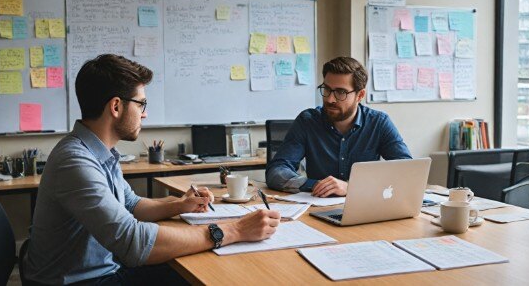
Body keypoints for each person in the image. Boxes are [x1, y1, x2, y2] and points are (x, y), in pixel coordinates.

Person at [23, 54, 280, 285]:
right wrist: (235, 230)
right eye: (141, 104)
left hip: (101, 269)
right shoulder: (75, 161)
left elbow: (131, 204)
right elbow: (132, 242)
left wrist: (179, 204)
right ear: (116, 106)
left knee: (196, 268)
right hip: (81, 281)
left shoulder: (99, 152)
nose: (145, 114)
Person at [266, 56, 411, 197]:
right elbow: (276, 171)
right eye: (327, 89)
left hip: (365, 206)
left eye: (341, 92)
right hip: (317, 209)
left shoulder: (378, 123)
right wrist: (316, 185)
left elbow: (407, 170)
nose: (330, 99)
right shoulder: (307, 121)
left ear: (360, 95)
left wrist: (352, 187)